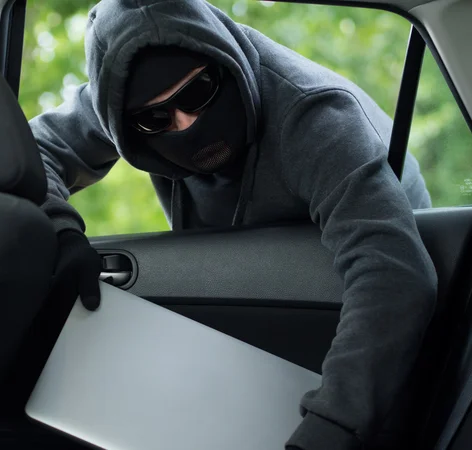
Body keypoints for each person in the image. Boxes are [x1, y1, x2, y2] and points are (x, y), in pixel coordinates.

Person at [29, 1, 438, 449]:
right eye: (156, 119)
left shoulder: (317, 117)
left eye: (197, 92)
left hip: (371, 336)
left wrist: (331, 429)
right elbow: (31, 151)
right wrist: (61, 230)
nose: (185, 125)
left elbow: (392, 274)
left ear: (225, 64)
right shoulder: (123, 101)